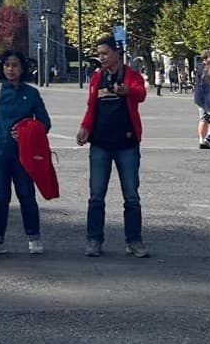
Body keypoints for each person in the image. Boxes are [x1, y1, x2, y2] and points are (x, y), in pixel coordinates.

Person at [75, 36, 149, 258]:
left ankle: (134, 241)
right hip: (100, 143)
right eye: (99, 53)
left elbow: (141, 94)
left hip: (127, 143)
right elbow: (91, 107)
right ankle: (94, 240)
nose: (101, 57)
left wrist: (128, 91)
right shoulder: (97, 77)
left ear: (117, 53)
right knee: (96, 195)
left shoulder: (131, 76)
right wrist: (84, 128)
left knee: (131, 196)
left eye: (105, 53)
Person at [0, 51, 53, 257]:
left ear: (22, 68)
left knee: (27, 195)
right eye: (7, 65)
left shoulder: (31, 93)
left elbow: (45, 122)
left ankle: (34, 237)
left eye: (15, 65)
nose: (10, 69)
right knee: (0, 197)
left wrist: (27, 130)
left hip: (24, 154)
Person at [191, 55, 210, 149]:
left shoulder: (199, 68)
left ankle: (201, 139)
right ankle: (209, 139)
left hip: (200, 97)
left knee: (203, 118)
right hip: (208, 96)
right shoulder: (208, 69)